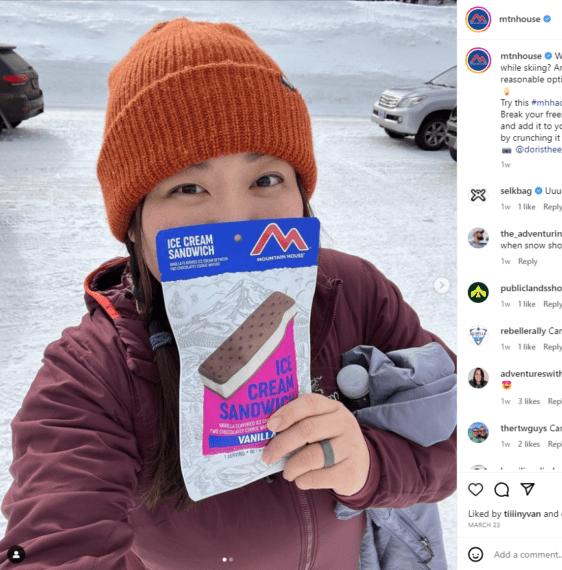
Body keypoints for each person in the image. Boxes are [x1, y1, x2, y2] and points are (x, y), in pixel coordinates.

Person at [0, 19, 456, 570]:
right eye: (188, 187)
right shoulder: (93, 373)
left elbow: (467, 433)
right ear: (135, 221)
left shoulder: (354, 292)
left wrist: (371, 466)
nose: (235, 222)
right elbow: (54, 539)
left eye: (265, 180)